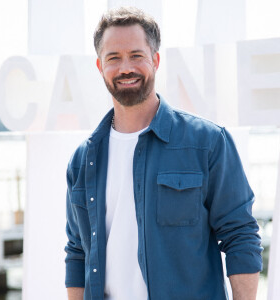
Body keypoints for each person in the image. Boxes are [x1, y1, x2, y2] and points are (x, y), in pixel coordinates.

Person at [64, 7, 262, 300]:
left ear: (155, 60)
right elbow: (77, 251)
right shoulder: (83, 159)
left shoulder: (207, 142)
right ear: (100, 66)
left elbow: (240, 236)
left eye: (136, 55)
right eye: (113, 58)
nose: (125, 68)